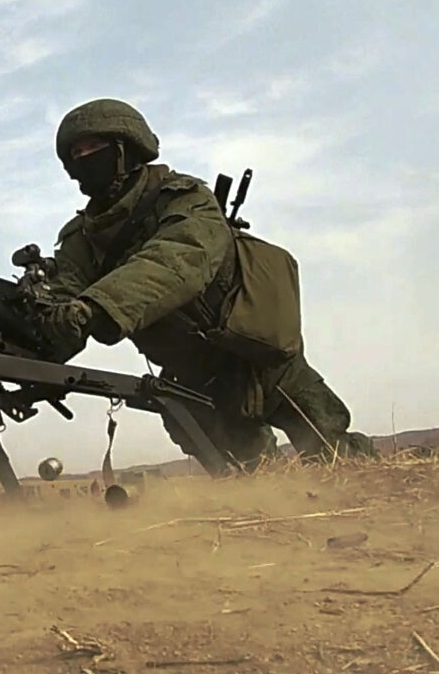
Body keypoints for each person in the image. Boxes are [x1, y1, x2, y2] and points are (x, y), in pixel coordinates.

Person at [39, 98, 375, 472]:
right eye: (76, 153)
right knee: (252, 475)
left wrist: (96, 307)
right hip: (196, 379)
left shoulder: (185, 200)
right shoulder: (81, 240)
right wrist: (41, 321)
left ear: (126, 150)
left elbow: (176, 260)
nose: (84, 158)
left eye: (94, 148)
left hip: (258, 357)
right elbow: (63, 297)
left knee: (335, 454)